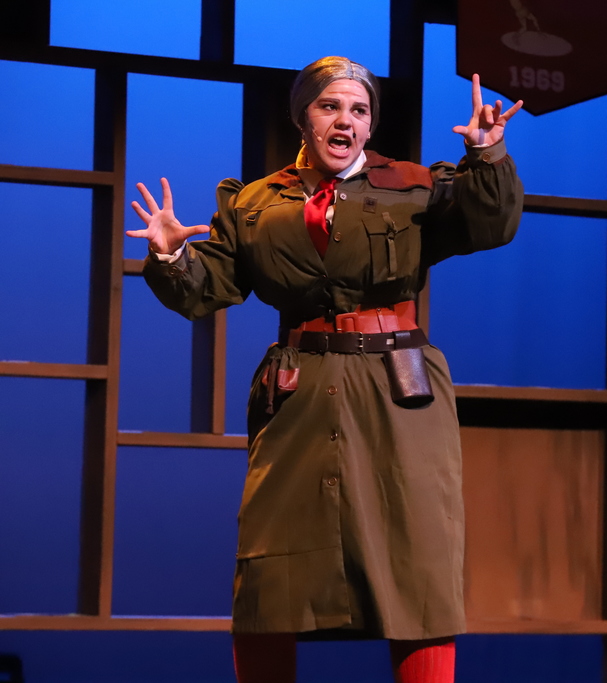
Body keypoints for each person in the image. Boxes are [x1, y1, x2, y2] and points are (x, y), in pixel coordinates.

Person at [127, 56, 524, 683]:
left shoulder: (414, 186)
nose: (346, 120)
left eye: (359, 110)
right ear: (303, 117)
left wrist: (487, 154)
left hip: (400, 394)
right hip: (299, 394)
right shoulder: (257, 203)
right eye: (330, 106)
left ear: (371, 125)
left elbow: (490, 222)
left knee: (417, 557)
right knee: (270, 573)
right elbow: (207, 290)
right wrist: (173, 252)